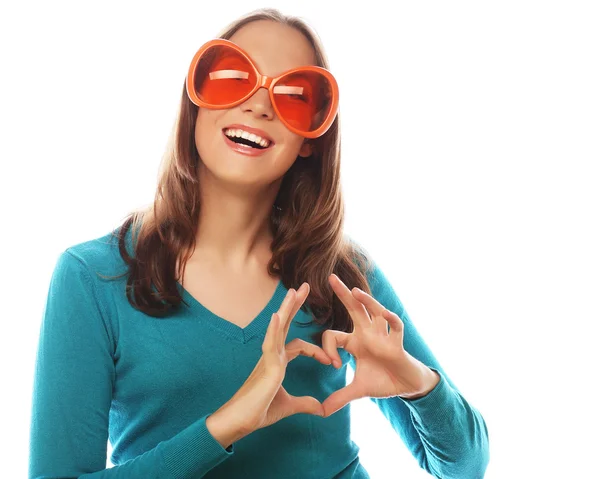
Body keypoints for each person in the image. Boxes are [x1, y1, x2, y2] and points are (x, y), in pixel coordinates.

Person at [28, 7, 489, 479]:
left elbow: (465, 466)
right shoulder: (94, 278)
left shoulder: (342, 274)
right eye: (233, 78)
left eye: (292, 95)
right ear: (197, 102)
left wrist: (416, 384)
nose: (260, 105)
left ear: (310, 139)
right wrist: (228, 424)